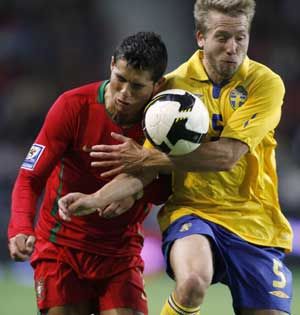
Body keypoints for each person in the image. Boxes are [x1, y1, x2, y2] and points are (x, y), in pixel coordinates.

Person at [58, 1, 294, 315]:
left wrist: (148, 160)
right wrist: (96, 198)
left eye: (241, 37)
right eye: (222, 37)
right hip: (192, 211)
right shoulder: (172, 90)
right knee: (193, 282)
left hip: (256, 219)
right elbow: (143, 168)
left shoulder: (264, 84)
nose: (232, 47)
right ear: (201, 37)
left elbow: (226, 155)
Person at [7, 31, 170, 315]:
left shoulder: (163, 124)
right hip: (61, 248)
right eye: (120, 78)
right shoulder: (72, 107)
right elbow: (30, 176)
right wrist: (20, 227)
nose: (124, 94)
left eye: (137, 86)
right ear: (111, 65)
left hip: (121, 253)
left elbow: (166, 188)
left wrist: (136, 191)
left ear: (158, 85)